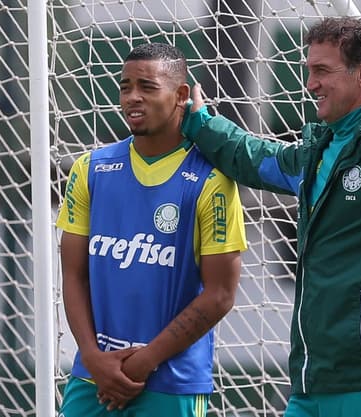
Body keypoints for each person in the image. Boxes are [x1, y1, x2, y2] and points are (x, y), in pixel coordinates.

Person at [181, 16, 361, 417]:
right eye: (309, 71)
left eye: (322, 71)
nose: (311, 84)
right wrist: (203, 124)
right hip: (314, 378)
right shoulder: (322, 148)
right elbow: (257, 160)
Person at [56, 42, 247, 417]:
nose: (132, 97)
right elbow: (73, 275)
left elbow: (221, 294)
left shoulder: (211, 179)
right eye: (125, 87)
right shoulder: (90, 169)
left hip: (170, 383)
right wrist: (94, 359)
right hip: (94, 378)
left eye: (146, 86)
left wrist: (144, 362)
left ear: (179, 96)